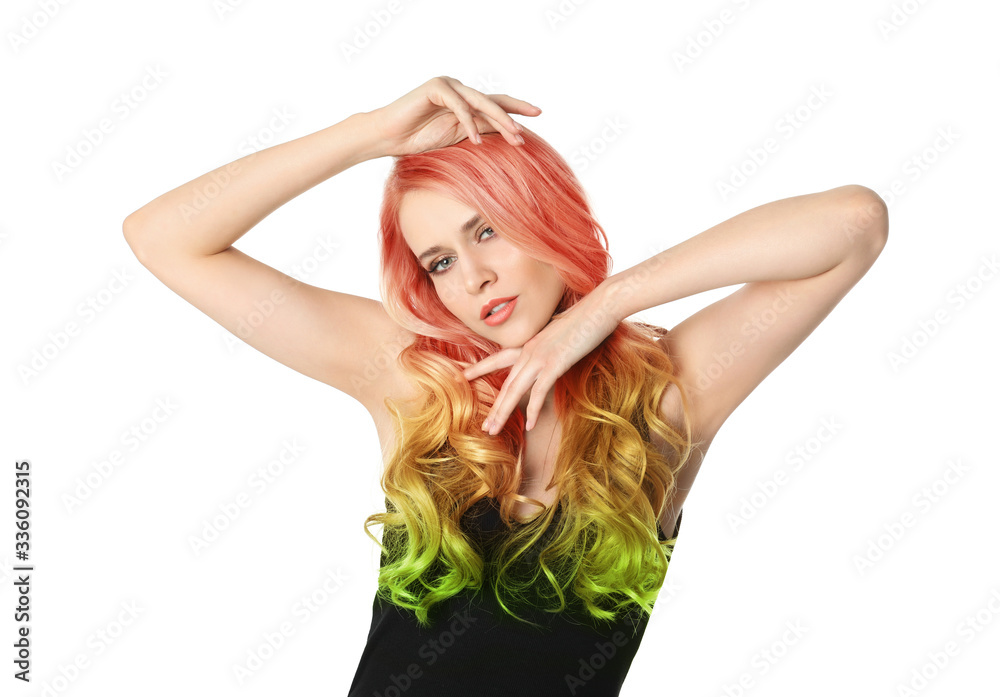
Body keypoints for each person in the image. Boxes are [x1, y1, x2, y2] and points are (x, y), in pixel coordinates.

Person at [123, 76, 888, 695]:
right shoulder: (411, 379)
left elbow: (854, 223)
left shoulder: (668, 397)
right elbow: (162, 237)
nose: (474, 274)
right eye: (441, 261)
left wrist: (610, 304)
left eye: (486, 228)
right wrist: (368, 135)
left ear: (545, 216)